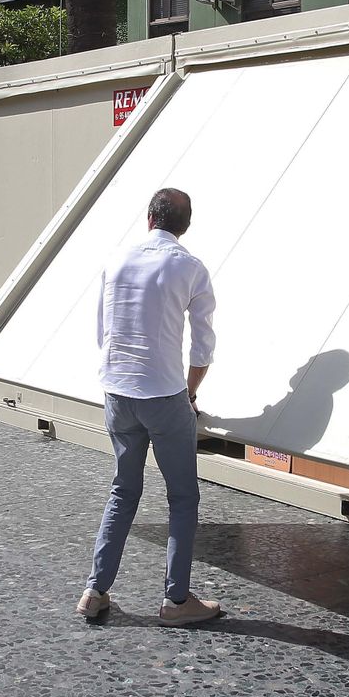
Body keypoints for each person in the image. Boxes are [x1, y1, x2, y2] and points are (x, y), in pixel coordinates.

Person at [77, 188, 223, 626]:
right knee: (182, 496)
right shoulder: (190, 268)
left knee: (123, 491)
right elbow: (203, 346)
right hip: (163, 395)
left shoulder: (117, 259)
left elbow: (103, 333)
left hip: (118, 395)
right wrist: (191, 393)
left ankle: (95, 591)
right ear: (185, 225)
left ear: (148, 219)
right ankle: (176, 602)